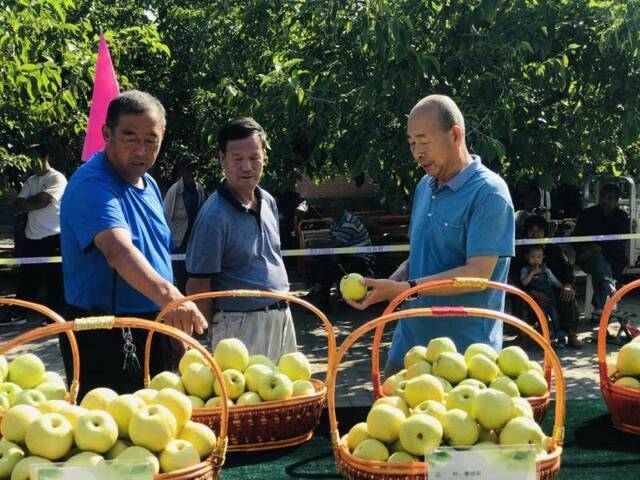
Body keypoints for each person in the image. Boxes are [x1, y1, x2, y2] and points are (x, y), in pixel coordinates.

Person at [346, 95, 515, 378]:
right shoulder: (425, 186)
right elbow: (421, 254)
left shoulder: (489, 193)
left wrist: (407, 288)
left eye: (424, 142)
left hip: (465, 360)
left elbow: (478, 273)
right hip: (408, 349)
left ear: (455, 135)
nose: (417, 153)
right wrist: (393, 283)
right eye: (412, 143)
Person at [59, 90, 207, 398]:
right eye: (130, 138)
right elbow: (118, 251)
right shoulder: (93, 185)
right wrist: (173, 298)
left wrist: (172, 322)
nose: (141, 150)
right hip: (106, 332)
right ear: (107, 134)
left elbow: (158, 257)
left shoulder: (148, 183)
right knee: (112, 436)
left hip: (155, 325)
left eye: (151, 140)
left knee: (166, 424)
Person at [185, 117, 297, 362]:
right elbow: (198, 285)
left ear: (264, 156)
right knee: (246, 400)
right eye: (238, 159)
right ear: (222, 159)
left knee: (287, 396)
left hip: (281, 318)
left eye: (254, 157)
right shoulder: (213, 216)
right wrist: (203, 342)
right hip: (239, 328)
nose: (247, 166)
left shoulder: (267, 200)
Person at [0, 144, 67, 326]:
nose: (30, 163)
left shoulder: (57, 178)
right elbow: (21, 203)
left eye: (33, 159)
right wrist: (32, 201)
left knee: (55, 280)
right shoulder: (31, 180)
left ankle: (54, 317)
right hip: (32, 237)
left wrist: (31, 201)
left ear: (44, 158)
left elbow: (43, 201)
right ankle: (19, 314)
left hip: (53, 236)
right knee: (27, 278)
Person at [512, 215, 581, 348]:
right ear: (526, 232)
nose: (535, 233)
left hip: (552, 290)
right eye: (531, 230)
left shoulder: (554, 249)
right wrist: (532, 293)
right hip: (527, 291)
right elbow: (515, 279)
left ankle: (571, 334)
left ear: (545, 232)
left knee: (568, 295)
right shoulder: (520, 251)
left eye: (539, 230)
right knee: (521, 300)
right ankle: (524, 336)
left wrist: (567, 285)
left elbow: (567, 270)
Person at [304, 198, 375, 309]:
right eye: (331, 209)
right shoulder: (335, 222)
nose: (333, 211)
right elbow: (329, 240)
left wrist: (316, 243)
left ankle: (321, 296)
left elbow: (337, 243)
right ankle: (321, 294)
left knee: (329, 267)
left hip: (361, 259)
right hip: (345, 256)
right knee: (323, 263)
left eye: (336, 209)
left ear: (343, 208)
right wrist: (319, 244)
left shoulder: (349, 222)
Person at [572, 183, 630, 317]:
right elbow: (576, 238)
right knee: (597, 260)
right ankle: (607, 289)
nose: (606, 201)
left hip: (614, 259)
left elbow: (621, 241)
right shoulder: (587, 214)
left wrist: (600, 249)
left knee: (599, 260)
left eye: (610, 198)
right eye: (603, 197)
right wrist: (587, 250)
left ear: (616, 201)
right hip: (587, 257)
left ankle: (599, 305)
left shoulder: (622, 217)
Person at [163, 158, 206, 293]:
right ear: (182, 172)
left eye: (194, 169)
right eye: (189, 169)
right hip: (179, 244)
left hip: (195, 244)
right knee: (181, 283)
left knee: (195, 281)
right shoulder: (174, 191)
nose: (193, 172)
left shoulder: (199, 189)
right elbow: (165, 217)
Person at [519, 245, 566, 344]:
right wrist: (532, 273)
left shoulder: (546, 270)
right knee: (542, 319)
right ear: (527, 257)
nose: (535, 260)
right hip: (537, 302)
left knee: (555, 317)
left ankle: (561, 337)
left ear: (543, 258)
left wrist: (563, 286)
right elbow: (524, 283)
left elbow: (555, 281)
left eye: (539, 257)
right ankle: (545, 339)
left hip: (550, 299)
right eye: (532, 257)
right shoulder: (525, 270)